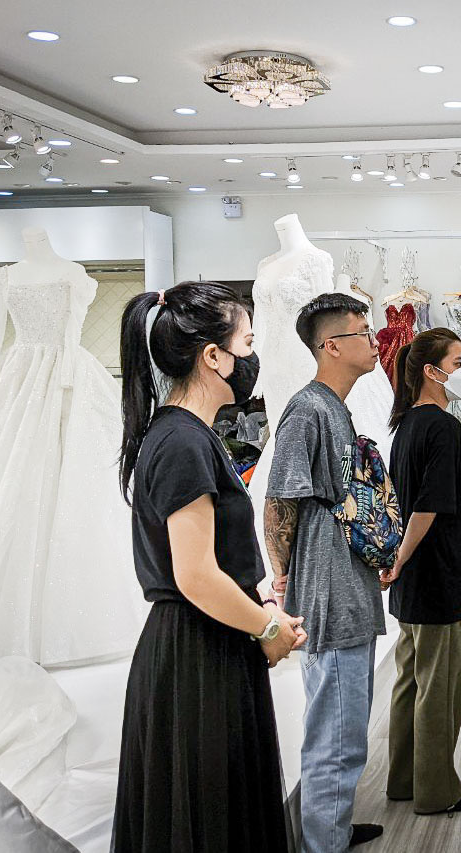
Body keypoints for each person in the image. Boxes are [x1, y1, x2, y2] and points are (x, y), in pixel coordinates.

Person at [114, 281, 305, 853]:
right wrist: (268, 626)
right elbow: (194, 575)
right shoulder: (180, 442)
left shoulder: (190, 435)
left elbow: (218, 559)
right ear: (213, 357)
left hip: (211, 642)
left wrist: (263, 608)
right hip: (196, 653)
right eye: (247, 343)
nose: (254, 357)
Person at [263, 293, 386, 852]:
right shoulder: (308, 410)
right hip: (329, 598)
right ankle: (322, 843)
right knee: (333, 736)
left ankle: (329, 828)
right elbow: (279, 499)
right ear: (332, 346)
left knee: (347, 728)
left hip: (349, 589)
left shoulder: (336, 409)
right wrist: (282, 576)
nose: (374, 339)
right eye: (363, 332)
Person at [381, 328, 461, 815]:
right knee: (440, 684)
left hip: (416, 580)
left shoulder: (407, 425)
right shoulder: (442, 427)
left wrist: (400, 563)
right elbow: (427, 506)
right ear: (433, 371)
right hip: (439, 573)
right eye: (459, 360)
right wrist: (401, 556)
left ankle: (404, 780)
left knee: (412, 678)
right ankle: (436, 790)